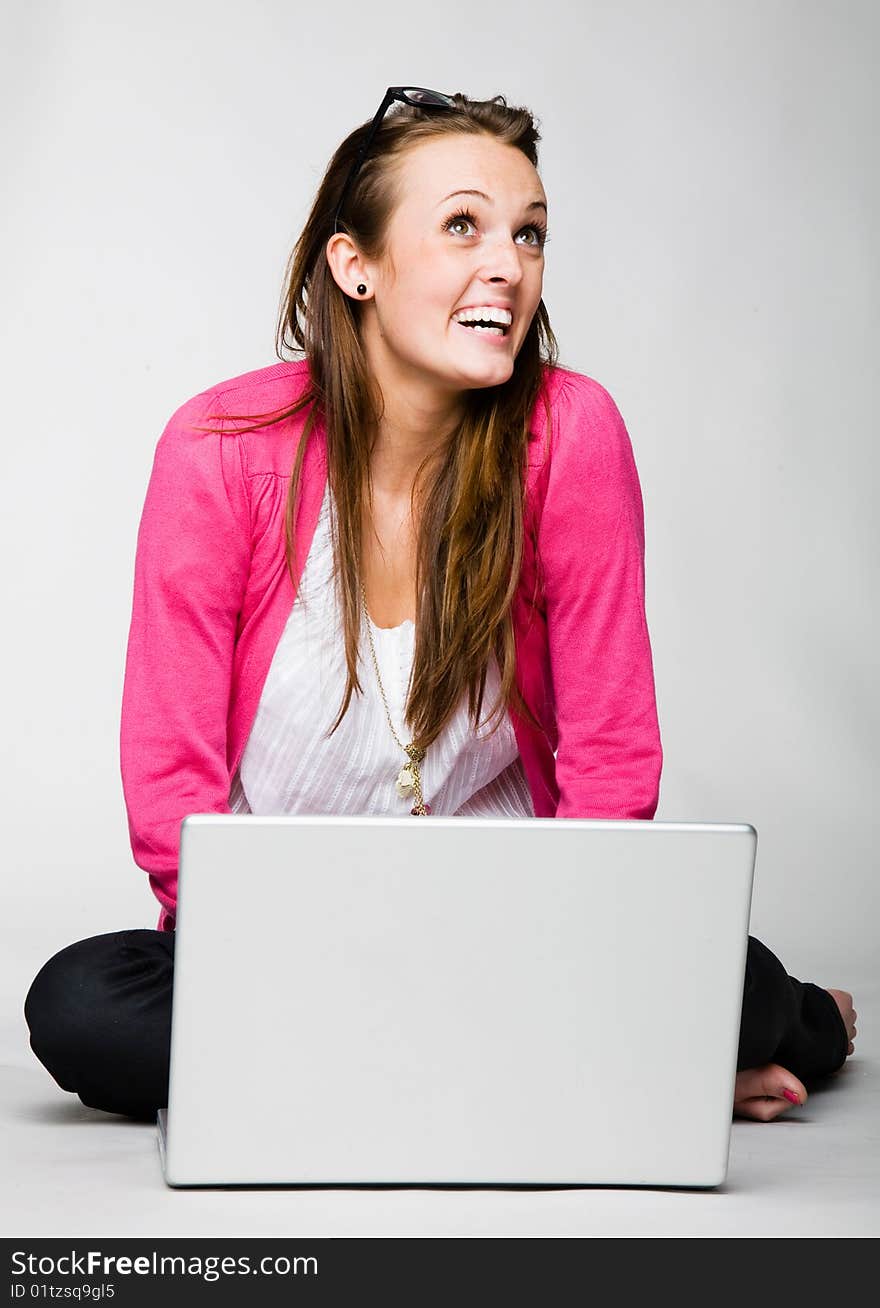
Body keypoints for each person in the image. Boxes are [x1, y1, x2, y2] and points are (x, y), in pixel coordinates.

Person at [24, 88, 856, 1126]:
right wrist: (247, 961)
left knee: (731, 983)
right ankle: (599, 1079)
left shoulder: (570, 434)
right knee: (79, 1004)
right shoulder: (219, 451)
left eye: (529, 233)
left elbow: (609, 752)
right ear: (354, 264)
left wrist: (576, 951)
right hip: (285, 948)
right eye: (462, 224)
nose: (506, 264)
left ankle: (786, 1023)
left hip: (523, 933)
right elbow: (169, 776)